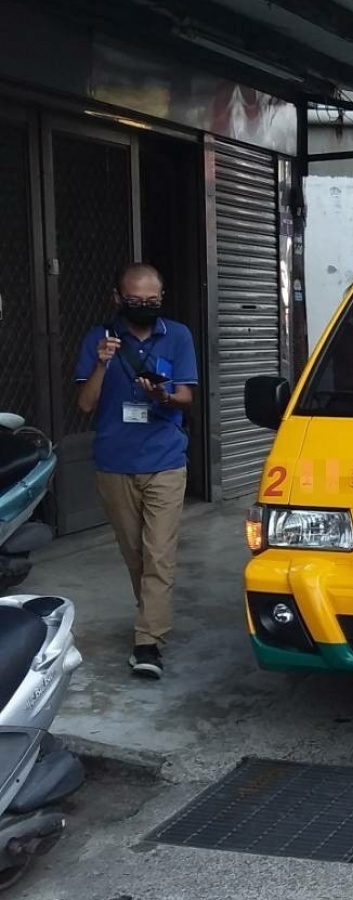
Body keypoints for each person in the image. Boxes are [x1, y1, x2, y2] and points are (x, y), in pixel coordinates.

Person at [75, 263, 199, 680]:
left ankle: (148, 643)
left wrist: (163, 393)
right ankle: (151, 614)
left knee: (159, 555)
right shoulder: (99, 339)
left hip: (164, 460)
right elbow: (86, 405)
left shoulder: (177, 335)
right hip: (114, 463)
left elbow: (185, 396)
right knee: (137, 556)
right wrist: (100, 364)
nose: (143, 307)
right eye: (134, 300)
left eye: (152, 301)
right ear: (117, 298)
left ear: (161, 299)